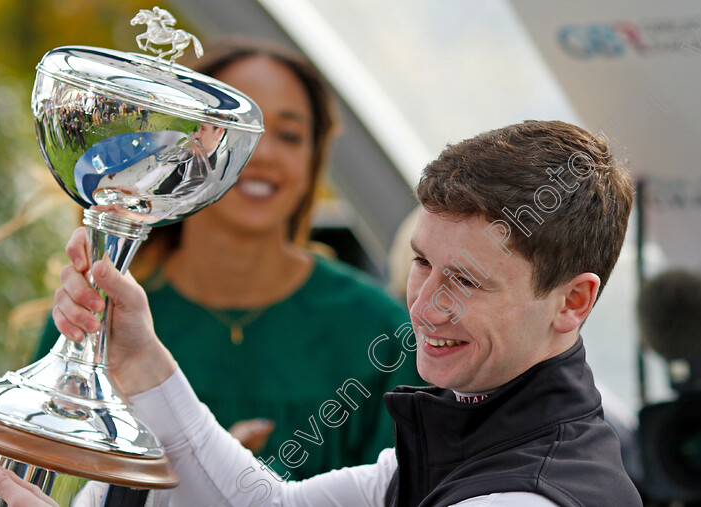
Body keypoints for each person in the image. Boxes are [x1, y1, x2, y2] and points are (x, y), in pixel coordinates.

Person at [0, 120, 642, 506]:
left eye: (466, 281)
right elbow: (261, 503)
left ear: (573, 302)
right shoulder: (485, 426)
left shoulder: (524, 490)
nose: (425, 306)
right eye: (421, 263)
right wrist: (138, 357)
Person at [32, 37, 423, 479]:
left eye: (290, 135)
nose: (265, 154)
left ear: (313, 160)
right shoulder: (99, 318)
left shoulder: (380, 332)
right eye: (230, 132)